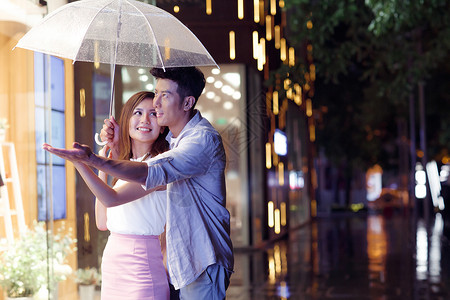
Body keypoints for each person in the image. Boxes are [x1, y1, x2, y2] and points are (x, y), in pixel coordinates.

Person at [43, 66, 234, 300]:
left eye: (165, 96)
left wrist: (89, 161)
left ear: (187, 103)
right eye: (157, 94)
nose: (156, 105)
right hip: (134, 264)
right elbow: (103, 221)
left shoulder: (197, 142)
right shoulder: (175, 144)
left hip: (193, 262)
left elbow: (135, 181)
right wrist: (108, 156)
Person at [72, 91, 170, 300]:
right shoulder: (124, 165)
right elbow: (101, 222)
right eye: (137, 112)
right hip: (113, 261)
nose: (144, 120)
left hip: (142, 265)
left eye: (153, 114)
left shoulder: (159, 165)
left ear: (162, 125)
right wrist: (110, 154)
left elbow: (111, 198)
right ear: (126, 120)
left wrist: (82, 163)